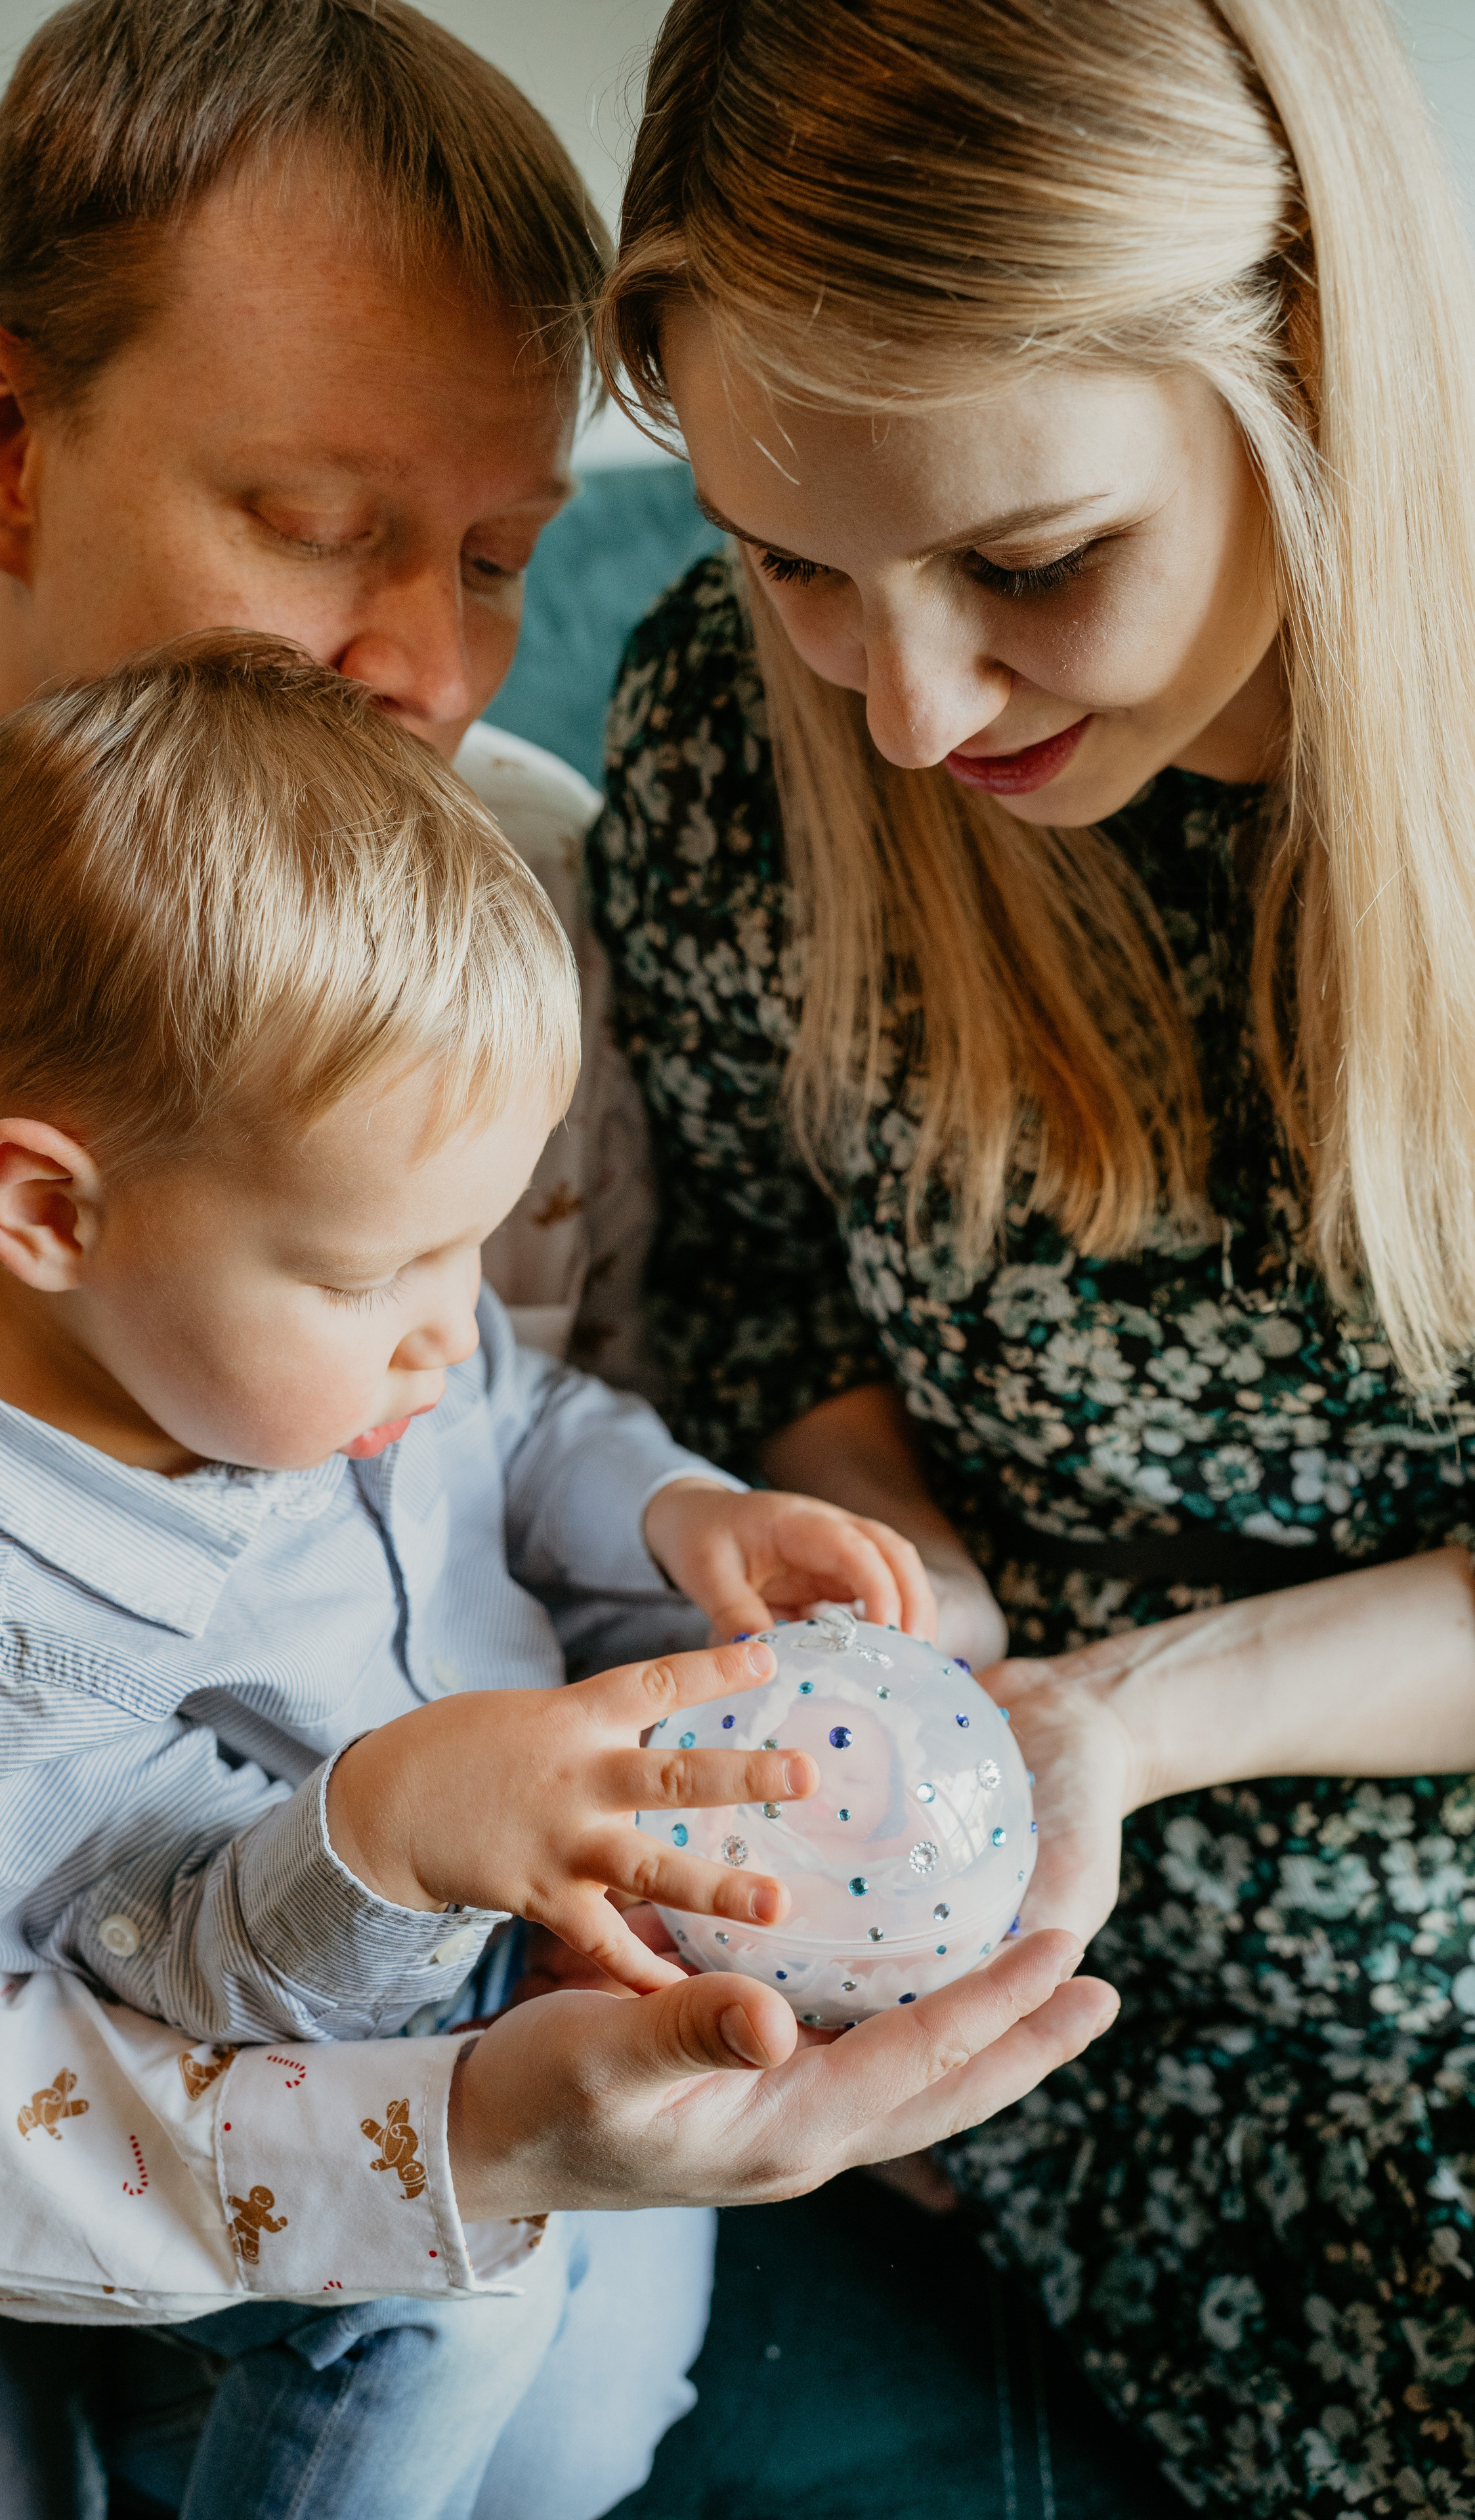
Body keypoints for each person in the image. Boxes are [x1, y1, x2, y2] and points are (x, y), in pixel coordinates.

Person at [0, 5, 1115, 2513]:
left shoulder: (518, 874)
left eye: (501, 553)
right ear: (0, 443)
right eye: (307, 519)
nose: (419, 662)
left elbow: (525, 1441)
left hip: (442, 1927)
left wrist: (696, 1642)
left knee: (562, 2420)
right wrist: (414, 2134)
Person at [586, 1, 1475, 2511]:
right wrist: (897, 1584)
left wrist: (1141, 1714)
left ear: (1311, 357)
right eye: (796, 566)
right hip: (1121, 1999)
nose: (909, 707)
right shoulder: (735, 757)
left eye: (1030, 561)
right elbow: (758, 1296)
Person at [0, 629, 948, 2510]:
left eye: (466, 1250)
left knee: (586, 2401)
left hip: (499, 1927)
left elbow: (524, 1418)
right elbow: (172, 1999)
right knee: (445, 2320)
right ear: (48, 1211)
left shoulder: (306, 1319)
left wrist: (683, 1517)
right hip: (205, 2064)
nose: (443, 1330)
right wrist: (392, 1838)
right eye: (371, 1275)